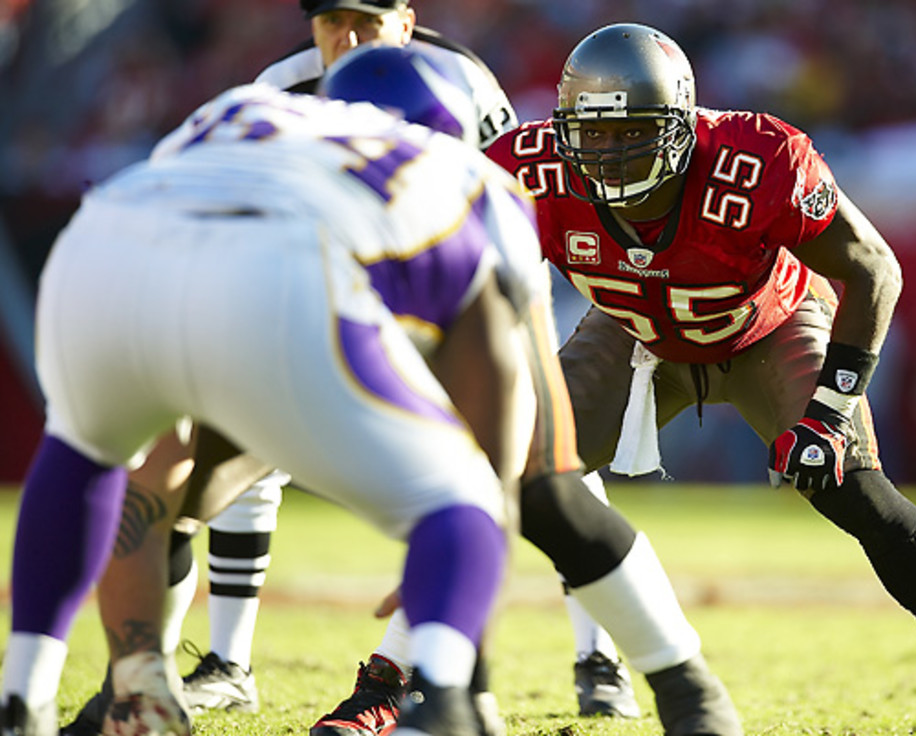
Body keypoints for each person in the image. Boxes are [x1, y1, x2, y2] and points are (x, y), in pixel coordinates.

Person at [486, 22, 916, 734]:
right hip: (634, 326)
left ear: (678, 123)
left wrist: (830, 409)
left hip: (770, 323)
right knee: (515, 472)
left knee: (849, 483)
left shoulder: (758, 158)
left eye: (632, 131)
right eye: (592, 133)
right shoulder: (527, 165)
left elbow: (873, 269)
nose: (607, 154)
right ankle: (412, 674)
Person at [153, 0, 642, 723]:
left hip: (451, 293)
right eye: (329, 22)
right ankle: (229, 661)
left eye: (365, 21)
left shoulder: (461, 81)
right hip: (329, 295)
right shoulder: (278, 83)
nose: (346, 40)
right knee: (238, 439)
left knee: (549, 459)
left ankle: (599, 658)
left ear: (406, 22)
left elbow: (506, 201)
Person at [0, 81, 531, 735]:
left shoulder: (243, 104)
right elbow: (499, 381)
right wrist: (470, 529)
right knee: (464, 497)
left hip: (102, 240)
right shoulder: (462, 172)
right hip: (274, 271)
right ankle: (443, 704)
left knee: (86, 448)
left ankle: (29, 692)